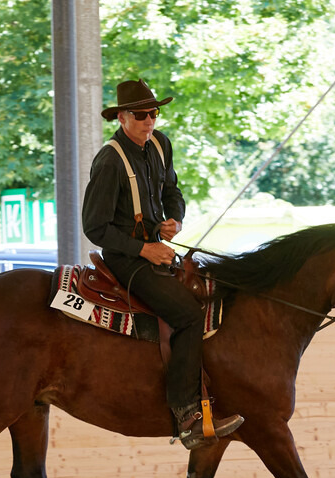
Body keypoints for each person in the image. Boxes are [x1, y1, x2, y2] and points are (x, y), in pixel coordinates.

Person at [81, 78, 243, 450]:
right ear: (121, 118)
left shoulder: (160, 144)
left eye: (154, 113)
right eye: (140, 115)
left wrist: (176, 219)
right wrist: (144, 251)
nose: (149, 121)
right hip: (126, 260)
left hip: (157, 250)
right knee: (187, 314)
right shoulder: (109, 161)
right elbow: (95, 227)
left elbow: (172, 190)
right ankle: (186, 415)